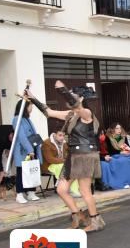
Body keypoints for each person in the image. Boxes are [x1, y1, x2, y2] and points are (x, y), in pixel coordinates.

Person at [26, 82, 105, 232]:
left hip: (85, 156)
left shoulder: (87, 113)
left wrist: (62, 90)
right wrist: (32, 98)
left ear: (81, 98)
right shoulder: (70, 115)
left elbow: (77, 107)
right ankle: (79, 216)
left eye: (73, 95)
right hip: (72, 156)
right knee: (62, 189)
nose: (69, 99)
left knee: (84, 191)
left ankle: (96, 221)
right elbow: (48, 112)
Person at [11, 99, 41, 204]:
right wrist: (30, 149)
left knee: (31, 171)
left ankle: (31, 192)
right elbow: (21, 136)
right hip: (23, 150)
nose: (31, 108)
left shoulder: (27, 119)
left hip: (32, 147)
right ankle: (19, 194)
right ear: (24, 107)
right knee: (21, 172)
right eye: (30, 106)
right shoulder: (16, 119)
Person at [41, 129, 80, 197]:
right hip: (48, 165)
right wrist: (65, 160)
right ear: (54, 135)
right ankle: (70, 189)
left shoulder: (64, 143)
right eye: (60, 135)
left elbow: (70, 153)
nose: (62, 137)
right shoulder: (46, 143)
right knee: (66, 167)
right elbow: (49, 159)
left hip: (60, 163)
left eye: (63, 136)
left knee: (75, 165)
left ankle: (75, 188)